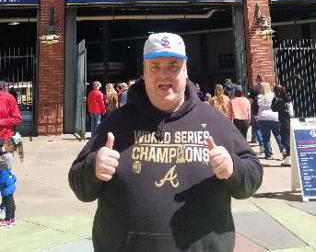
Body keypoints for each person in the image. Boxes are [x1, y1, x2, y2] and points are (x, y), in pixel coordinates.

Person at [69, 32, 262, 252]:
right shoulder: (116, 123)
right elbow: (79, 185)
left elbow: (252, 177)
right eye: (155, 66)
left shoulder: (214, 122)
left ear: (186, 70)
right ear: (144, 71)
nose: (164, 74)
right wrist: (93, 166)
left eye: (173, 65)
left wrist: (233, 168)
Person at [254, 82, 283, 160]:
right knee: (278, 135)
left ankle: (268, 154)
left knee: (266, 137)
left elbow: (255, 108)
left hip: (263, 118)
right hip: (274, 117)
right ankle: (283, 150)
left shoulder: (258, 97)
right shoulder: (274, 96)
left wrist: (256, 116)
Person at [0, 132, 24, 227]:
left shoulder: (7, 157)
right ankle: (13, 218)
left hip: (6, 182)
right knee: (10, 201)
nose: (4, 146)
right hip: (8, 181)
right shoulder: (8, 154)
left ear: (11, 146)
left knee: (7, 202)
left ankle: (7, 220)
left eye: (6, 144)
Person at [272, 85, 293, 166]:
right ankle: (288, 157)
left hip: (284, 122)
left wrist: (274, 99)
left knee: (285, 140)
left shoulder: (280, 100)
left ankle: (289, 158)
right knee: (287, 139)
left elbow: (273, 108)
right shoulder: (287, 98)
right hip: (289, 121)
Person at [248, 74, 264, 148]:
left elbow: (250, 100)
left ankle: (261, 141)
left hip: (256, 110)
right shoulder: (268, 88)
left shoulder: (254, 88)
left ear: (257, 80)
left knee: (255, 127)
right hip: (266, 110)